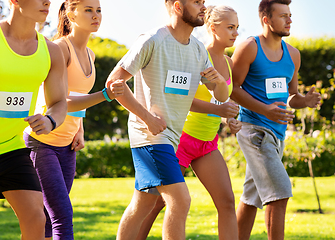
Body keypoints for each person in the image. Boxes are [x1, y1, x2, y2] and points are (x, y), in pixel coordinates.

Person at [105, 1, 229, 239]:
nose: (203, 7)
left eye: (203, 3)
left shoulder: (198, 49)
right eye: (196, 2)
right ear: (177, 6)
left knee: (141, 204)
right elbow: (113, 83)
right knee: (180, 200)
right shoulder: (153, 40)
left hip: (171, 137)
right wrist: (147, 117)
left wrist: (220, 83)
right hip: (149, 135)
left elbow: (221, 97)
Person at [135, 5, 242, 240]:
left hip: (207, 143)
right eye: (230, 27)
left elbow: (220, 100)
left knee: (226, 201)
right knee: (155, 203)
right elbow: (183, 98)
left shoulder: (228, 63)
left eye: (237, 28)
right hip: (181, 140)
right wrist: (219, 109)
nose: (235, 33)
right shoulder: (195, 53)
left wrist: (228, 118)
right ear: (213, 28)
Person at [23, 0, 124, 239]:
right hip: (42, 141)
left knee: (49, 219)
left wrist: (80, 130)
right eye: (88, 10)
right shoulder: (60, 48)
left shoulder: (90, 54)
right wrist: (106, 96)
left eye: (98, 10)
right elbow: (61, 103)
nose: (95, 15)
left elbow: (80, 98)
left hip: (67, 145)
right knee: (62, 216)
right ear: (71, 13)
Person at [0, 0, 68, 239]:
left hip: (10, 147)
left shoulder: (51, 51)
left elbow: (59, 103)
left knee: (36, 217)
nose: (47, 2)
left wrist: (50, 120)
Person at [230, 0, 321, 239]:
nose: (289, 20)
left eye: (290, 15)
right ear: (266, 19)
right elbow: (232, 88)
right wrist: (265, 110)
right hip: (254, 131)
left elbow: (290, 96)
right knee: (279, 192)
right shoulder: (249, 47)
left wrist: (305, 101)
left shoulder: (293, 55)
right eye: (283, 15)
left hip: (277, 133)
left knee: (252, 197)